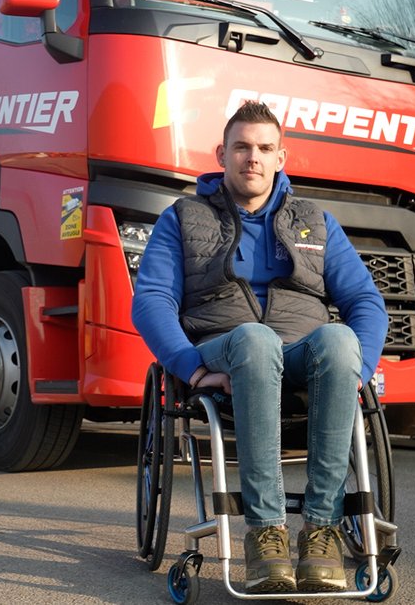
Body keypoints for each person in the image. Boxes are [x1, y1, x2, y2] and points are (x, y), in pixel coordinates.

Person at [131, 100, 388, 594]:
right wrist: (189, 367)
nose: (253, 157)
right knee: (255, 339)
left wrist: (362, 366)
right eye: (242, 147)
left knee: (338, 339)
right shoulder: (182, 218)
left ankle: (321, 532)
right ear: (221, 154)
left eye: (264, 148)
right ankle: (265, 531)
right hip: (227, 349)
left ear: (281, 157)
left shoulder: (315, 221)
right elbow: (152, 302)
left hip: (301, 353)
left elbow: (365, 303)